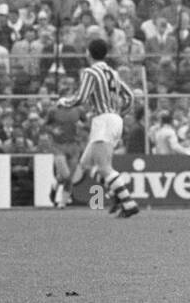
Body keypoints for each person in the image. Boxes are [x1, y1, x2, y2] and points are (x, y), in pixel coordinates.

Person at [56, 38, 141, 218]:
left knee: (104, 168)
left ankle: (128, 203)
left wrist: (64, 102)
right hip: (114, 119)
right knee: (86, 164)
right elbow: (130, 97)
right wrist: (119, 114)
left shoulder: (91, 72)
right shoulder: (113, 73)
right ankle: (115, 195)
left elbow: (81, 97)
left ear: (88, 53)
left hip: (103, 120)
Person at [44, 87, 83, 207]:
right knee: (65, 175)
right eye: (67, 95)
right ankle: (56, 190)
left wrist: (81, 127)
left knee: (68, 176)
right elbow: (45, 126)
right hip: (58, 146)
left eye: (71, 95)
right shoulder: (53, 111)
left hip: (73, 146)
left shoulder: (78, 110)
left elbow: (86, 123)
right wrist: (53, 130)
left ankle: (62, 202)